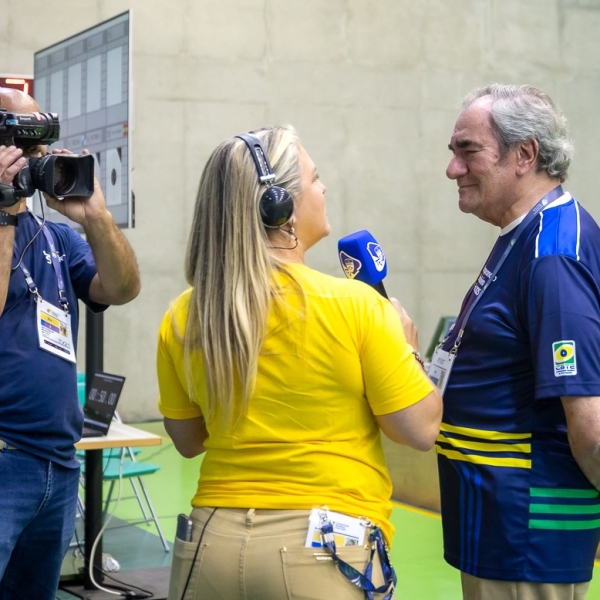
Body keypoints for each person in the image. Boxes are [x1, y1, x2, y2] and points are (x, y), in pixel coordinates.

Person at [156, 125, 442, 600]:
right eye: (314, 178)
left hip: (210, 545)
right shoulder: (357, 305)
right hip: (325, 551)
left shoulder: (185, 315)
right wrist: (409, 349)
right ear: (279, 207)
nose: (324, 188)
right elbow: (420, 429)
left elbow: (187, 441)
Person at [437, 83, 600, 600]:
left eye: (468, 151)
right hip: (501, 532)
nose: (453, 169)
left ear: (525, 155)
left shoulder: (554, 253)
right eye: (453, 152)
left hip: (528, 539)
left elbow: (590, 427)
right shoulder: (525, 234)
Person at [0, 87, 141, 599]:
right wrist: (4, 211)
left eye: (37, 151)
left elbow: (121, 288)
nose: (32, 163)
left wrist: (96, 216)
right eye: (20, 148)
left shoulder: (57, 239)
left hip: (58, 466)